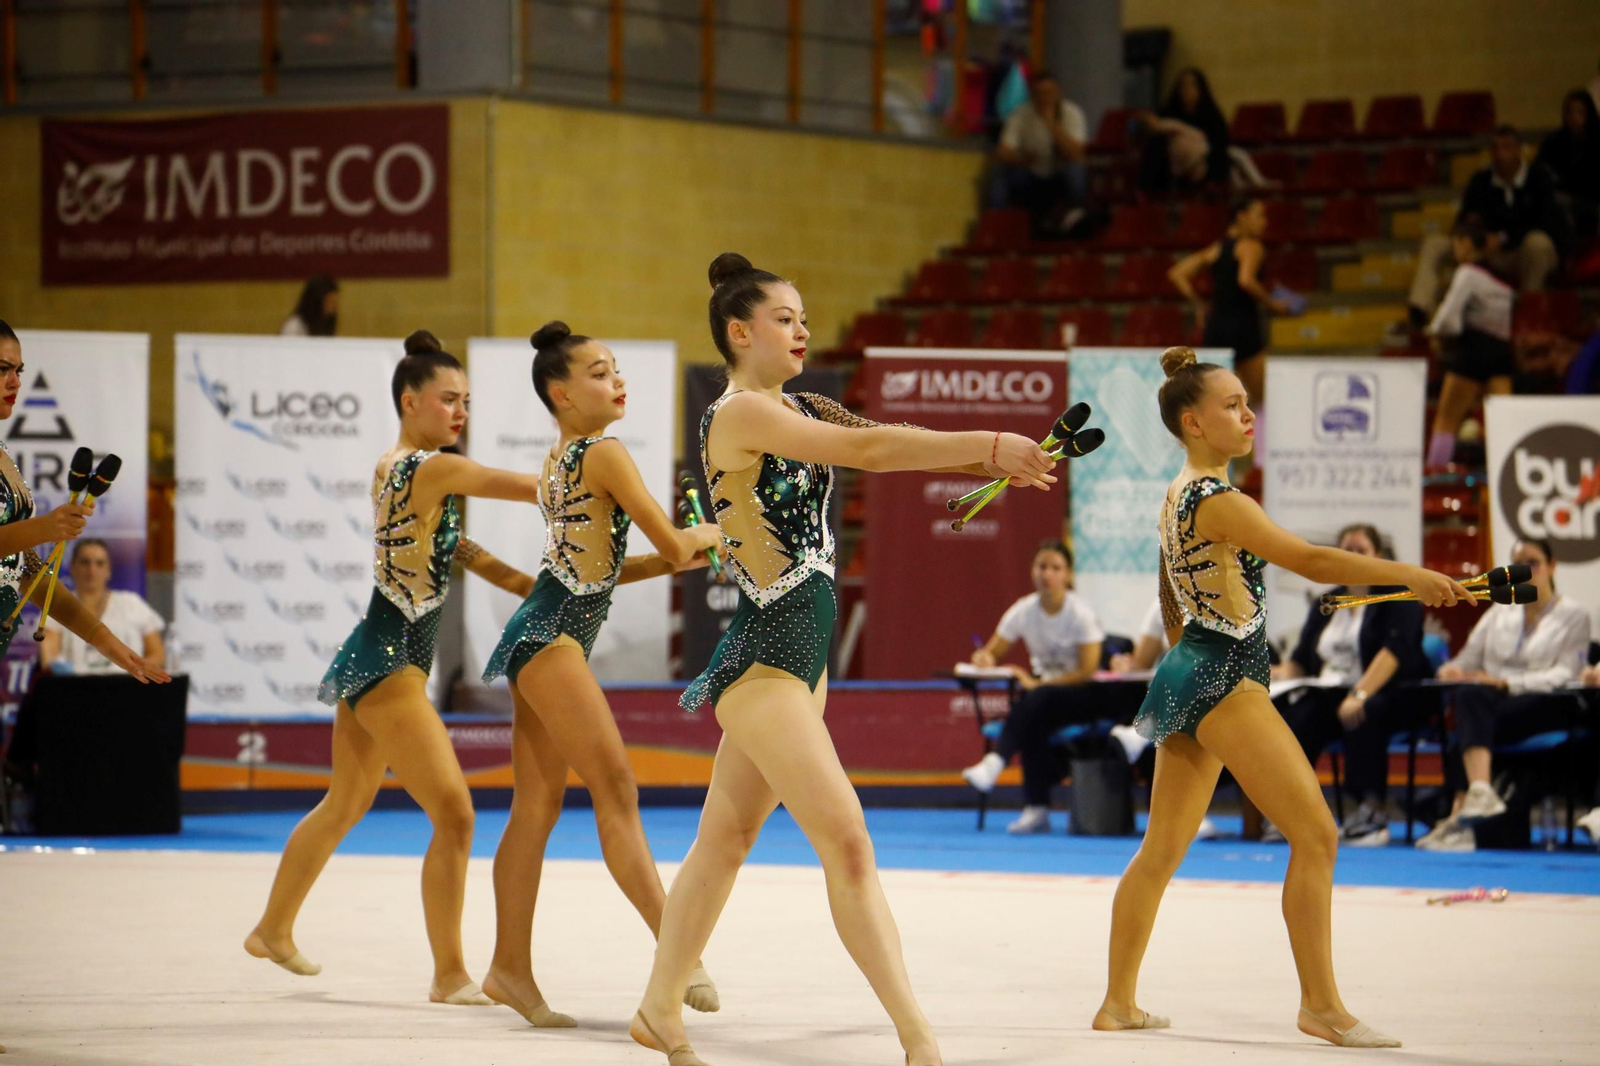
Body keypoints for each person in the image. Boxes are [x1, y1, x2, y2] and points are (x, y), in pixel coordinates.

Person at [629, 253, 1057, 1066]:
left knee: (723, 841)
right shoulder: (740, 414)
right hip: (763, 664)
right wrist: (993, 440)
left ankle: (657, 1008)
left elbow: (897, 443)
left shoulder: (801, 406)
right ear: (739, 331)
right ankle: (919, 1040)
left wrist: (1007, 460)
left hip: (800, 666)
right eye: (785, 319)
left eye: (803, 319)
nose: (802, 331)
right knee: (849, 842)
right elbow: (878, 455)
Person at [1093, 345, 1475, 1048]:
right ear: (1192, 422)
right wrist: (1409, 573)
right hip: (1223, 677)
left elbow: (1170, 598)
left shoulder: (1179, 494)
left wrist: (1188, 658)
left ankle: (1118, 1001)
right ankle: (1321, 1006)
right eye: (1232, 405)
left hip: (1191, 669)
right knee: (1318, 834)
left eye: (1248, 402)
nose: (1247, 414)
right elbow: (1312, 561)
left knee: (1160, 850)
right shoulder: (1221, 500)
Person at [244, 330, 541, 1005]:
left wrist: (540, 588)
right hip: (388, 664)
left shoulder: (402, 468)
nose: (460, 413)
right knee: (456, 816)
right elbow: (525, 487)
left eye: (467, 401)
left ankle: (272, 927)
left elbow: (469, 555)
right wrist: (593, 473)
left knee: (344, 803)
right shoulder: (429, 469)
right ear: (410, 401)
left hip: (378, 655)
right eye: (448, 400)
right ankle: (449, 974)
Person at [480, 322, 725, 1027]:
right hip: (550, 637)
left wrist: (692, 547)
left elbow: (609, 570)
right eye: (597, 372)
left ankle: (508, 971)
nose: (616, 380)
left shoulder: (562, 457)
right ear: (561, 392)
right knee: (615, 787)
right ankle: (681, 954)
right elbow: (676, 548)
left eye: (615, 368)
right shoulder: (607, 453)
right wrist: (709, 534)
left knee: (535, 810)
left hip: (541, 634)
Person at [0, 321, 172, 809]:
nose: (15, 382)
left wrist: (109, 643)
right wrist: (46, 527)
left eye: (19, 370)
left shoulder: (4, 455)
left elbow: (28, 573)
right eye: (2, 369)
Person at [1418, 537, 1591, 853]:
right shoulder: (1500, 612)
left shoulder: (1574, 615)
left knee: (1468, 722)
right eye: (1517, 565)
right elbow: (1467, 659)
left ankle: (1461, 816)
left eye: (1533, 563)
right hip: (1495, 707)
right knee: (1470, 699)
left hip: (1546, 701)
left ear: (1552, 566)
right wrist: (1452, 669)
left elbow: (1566, 673)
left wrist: (1507, 682)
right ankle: (1478, 796)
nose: (1525, 571)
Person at [1269, 524, 1431, 847]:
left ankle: (1372, 811)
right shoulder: (1327, 602)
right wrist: (1272, 674)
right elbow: (1300, 659)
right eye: (1346, 550)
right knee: (1297, 718)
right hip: (1331, 691)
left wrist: (1360, 693)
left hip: (1390, 694)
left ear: (1379, 557)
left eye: (1361, 551)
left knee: (1362, 713)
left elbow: (1393, 654)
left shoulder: (1399, 597)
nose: (1352, 557)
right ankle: (1293, 810)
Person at [958, 539, 1104, 833]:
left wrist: (1038, 683)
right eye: (1041, 566)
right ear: (1032, 571)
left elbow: (1087, 670)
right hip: (1042, 699)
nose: (1047, 574)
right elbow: (993, 651)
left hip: (1082, 696)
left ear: (1068, 575)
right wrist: (984, 657)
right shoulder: (1023, 610)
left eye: (1055, 568)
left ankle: (996, 761)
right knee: (1033, 716)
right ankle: (1037, 810)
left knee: (1037, 697)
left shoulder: (1080, 614)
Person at [1409, 127, 1565, 321]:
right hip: (1488, 250)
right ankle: (1420, 310)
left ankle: (1529, 315)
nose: (1500, 154)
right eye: (1496, 149)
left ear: (1519, 150)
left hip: (1523, 253)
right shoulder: (1481, 181)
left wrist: (1504, 238)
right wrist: (1464, 239)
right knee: (1435, 243)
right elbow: (1465, 219)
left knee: (1538, 243)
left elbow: (1547, 223)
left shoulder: (1539, 178)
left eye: (1506, 148)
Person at [1168, 196, 1290, 409]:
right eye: (1260, 215)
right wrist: (1273, 304)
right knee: (1258, 404)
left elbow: (1177, 273)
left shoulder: (1215, 249)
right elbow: (1246, 280)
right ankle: (1255, 442)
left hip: (1215, 330)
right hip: (1244, 329)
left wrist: (1199, 304)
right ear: (1242, 217)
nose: (1264, 222)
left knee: (1222, 405)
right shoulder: (1251, 246)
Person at [1424, 218, 1516, 468]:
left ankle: (1436, 475)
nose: (1455, 250)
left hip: (1473, 352)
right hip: (1501, 354)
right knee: (1505, 423)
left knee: (1446, 419)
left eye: (1456, 244)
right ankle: (1506, 473)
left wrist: (1433, 331)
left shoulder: (1467, 273)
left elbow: (1449, 319)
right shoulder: (1502, 278)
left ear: (1465, 243)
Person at [40, 538, 165, 675]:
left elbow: (157, 654)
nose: (92, 570)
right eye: (85, 562)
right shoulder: (57, 607)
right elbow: (49, 660)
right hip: (75, 690)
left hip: (127, 689)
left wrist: (137, 672)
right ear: (72, 567)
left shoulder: (132, 604)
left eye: (99, 563)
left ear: (109, 569)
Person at [987, 70, 1089, 236]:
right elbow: (1002, 152)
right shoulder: (1021, 114)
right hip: (1031, 173)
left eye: (1048, 93)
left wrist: (1051, 123)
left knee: (1076, 169)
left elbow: (1076, 154)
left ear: (1058, 93)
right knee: (1000, 171)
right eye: (1039, 93)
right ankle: (998, 222)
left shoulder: (1072, 113)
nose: (1044, 98)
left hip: (1059, 173)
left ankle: (1075, 218)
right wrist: (1021, 158)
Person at [1136, 68, 1230, 193]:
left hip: (1202, 168)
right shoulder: (1169, 113)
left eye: (1191, 85)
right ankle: (1147, 193)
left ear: (1201, 89)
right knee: (1157, 142)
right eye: (1183, 85)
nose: (1187, 90)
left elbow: (1218, 151)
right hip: (1173, 169)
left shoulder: (1213, 117)